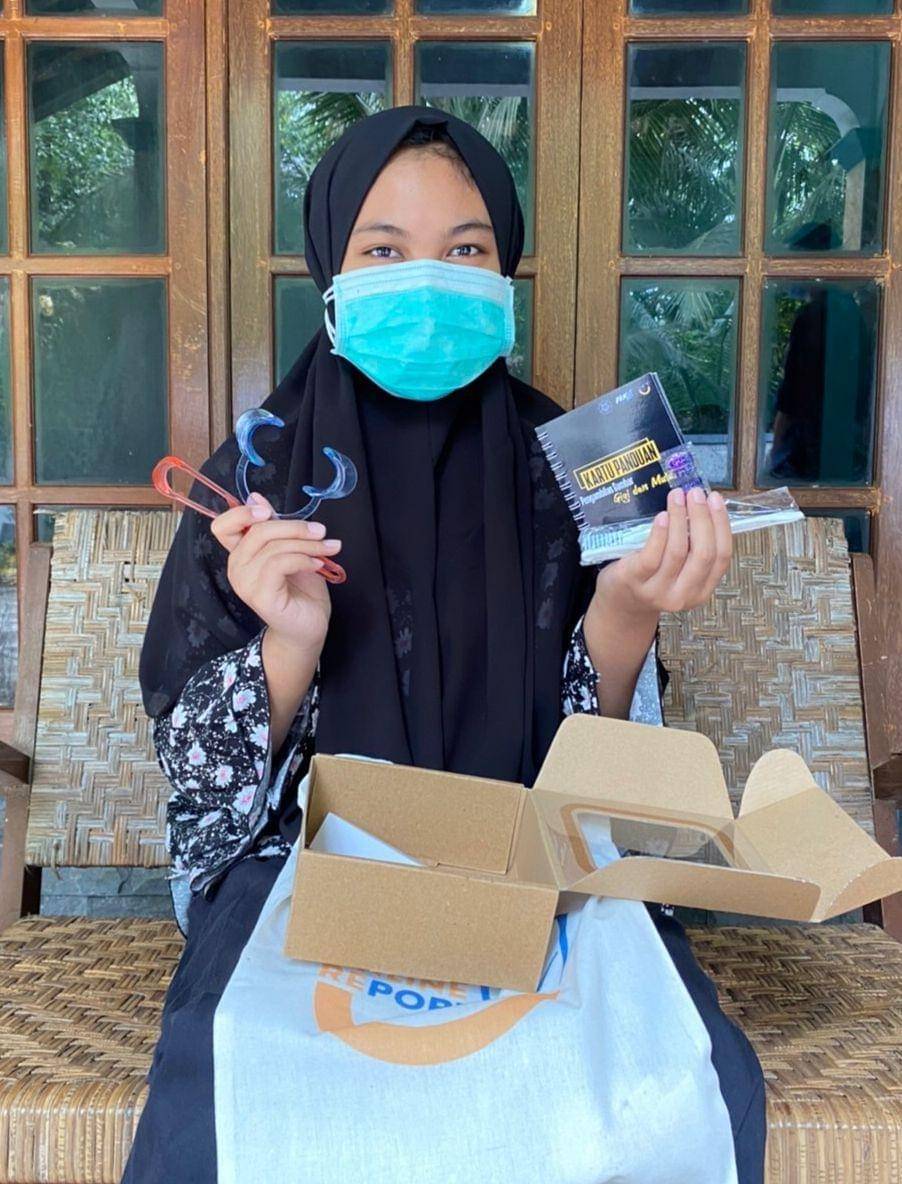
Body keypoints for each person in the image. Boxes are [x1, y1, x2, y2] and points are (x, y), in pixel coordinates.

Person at [128, 106, 764, 1183]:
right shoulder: (258, 473)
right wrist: (289, 643)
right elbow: (204, 796)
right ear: (331, 271)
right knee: (227, 1110)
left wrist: (625, 614)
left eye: (465, 250)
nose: (427, 279)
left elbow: (607, 790)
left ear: (503, 271)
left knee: (675, 1089)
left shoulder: (573, 466)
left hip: (542, 880)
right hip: (307, 884)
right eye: (384, 250)